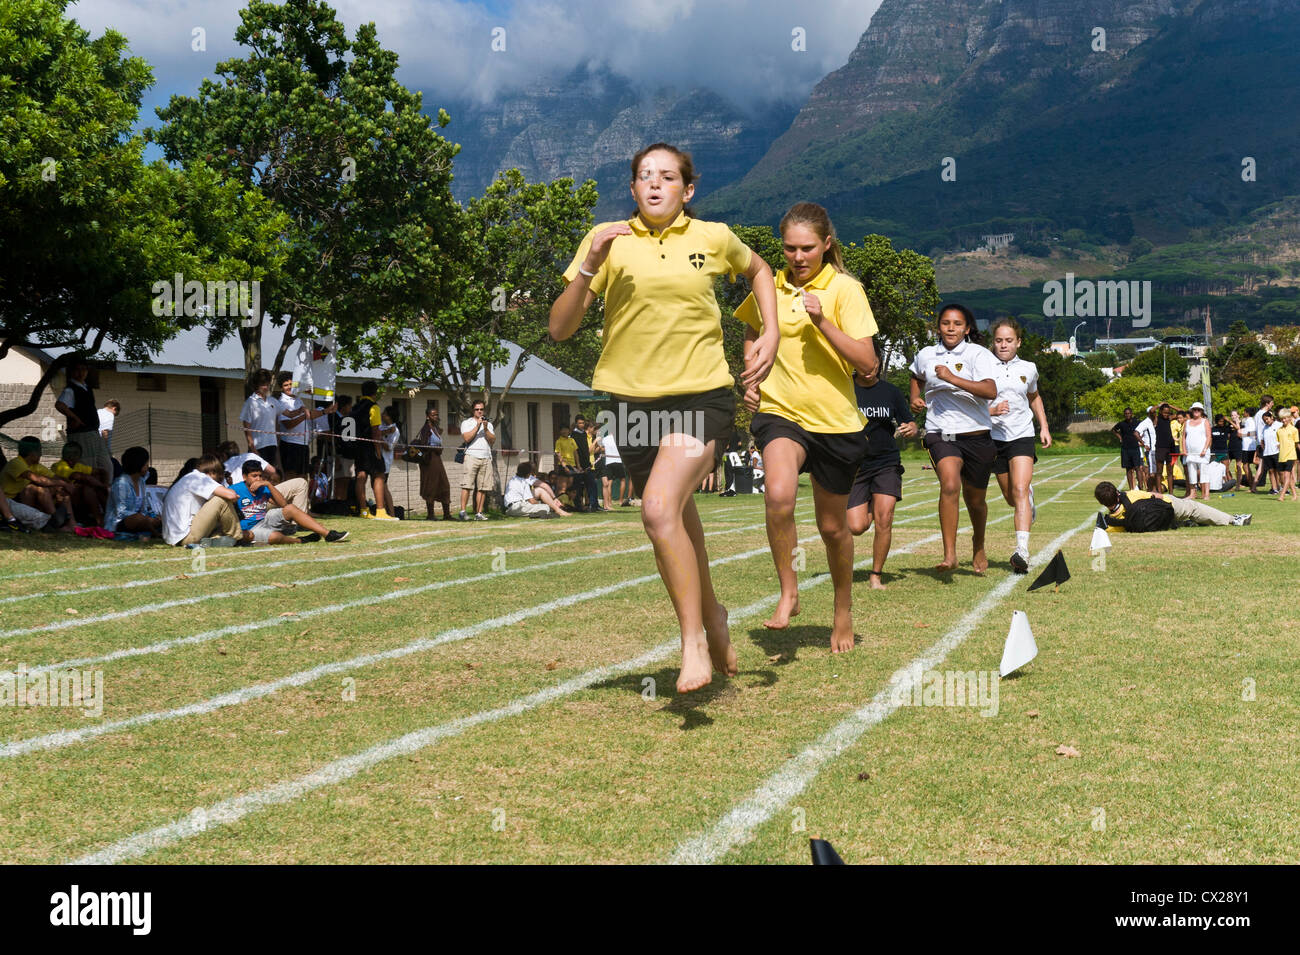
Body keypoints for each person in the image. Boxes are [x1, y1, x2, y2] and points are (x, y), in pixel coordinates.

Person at [549, 141, 778, 692]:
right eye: (645, 176)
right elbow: (560, 330)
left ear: (687, 189)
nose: (655, 184)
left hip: (701, 395)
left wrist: (769, 331)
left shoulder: (713, 238)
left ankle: (693, 640)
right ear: (632, 188)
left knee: (655, 510)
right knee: (677, 518)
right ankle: (716, 613)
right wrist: (588, 267)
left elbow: (761, 270)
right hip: (629, 403)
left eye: (668, 176)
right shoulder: (606, 240)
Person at [739, 202, 877, 649]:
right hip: (781, 413)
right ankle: (789, 591)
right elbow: (751, 328)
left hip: (835, 422)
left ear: (826, 245)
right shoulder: (769, 285)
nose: (797, 258)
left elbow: (867, 363)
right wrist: (752, 371)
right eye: (789, 249)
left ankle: (842, 612)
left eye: (807, 249)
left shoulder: (845, 289)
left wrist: (822, 321)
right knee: (778, 497)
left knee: (833, 528)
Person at [909, 303, 999, 573]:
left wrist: (952, 377)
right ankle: (950, 555)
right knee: (949, 484)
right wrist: (914, 397)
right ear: (938, 327)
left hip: (977, 435)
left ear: (967, 328)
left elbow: (990, 390)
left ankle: (979, 544)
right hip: (942, 433)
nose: (951, 328)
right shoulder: (926, 354)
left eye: (957, 324)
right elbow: (916, 377)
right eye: (946, 323)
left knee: (976, 500)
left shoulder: (978, 354)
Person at [987, 317, 1051, 573]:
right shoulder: (983, 367)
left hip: (1022, 435)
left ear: (1018, 342)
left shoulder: (1029, 367)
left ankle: (1022, 550)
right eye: (999, 340)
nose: (1004, 345)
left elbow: (1034, 396)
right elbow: (973, 400)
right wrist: (992, 410)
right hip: (994, 438)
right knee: (1011, 497)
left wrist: (1044, 426)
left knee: (1020, 488)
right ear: (993, 343)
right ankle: (1027, 499)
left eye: (1009, 340)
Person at [847, 365, 916, 589]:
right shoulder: (844, 387)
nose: (868, 369)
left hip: (886, 462)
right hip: (856, 465)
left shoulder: (891, 391)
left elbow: (909, 420)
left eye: (873, 363)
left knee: (884, 519)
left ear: (877, 363)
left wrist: (911, 428)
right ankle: (871, 506)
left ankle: (876, 575)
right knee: (856, 527)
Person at [229, 460, 348, 544]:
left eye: (260, 476)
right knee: (274, 537)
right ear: (244, 477)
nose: (258, 479)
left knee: (290, 508)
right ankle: (300, 540)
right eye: (254, 476)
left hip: (266, 519)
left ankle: (328, 534)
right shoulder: (234, 489)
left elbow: (283, 505)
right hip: (251, 529)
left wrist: (269, 485)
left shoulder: (263, 487)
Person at [160, 454, 249, 547]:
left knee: (221, 516)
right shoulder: (199, 478)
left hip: (176, 538)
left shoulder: (189, 479)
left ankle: (215, 539)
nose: (219, 482)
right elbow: (231, 495)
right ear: (213, 472)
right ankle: (237, 538)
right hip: (185, 536)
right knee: (221, 499)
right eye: (219, 477)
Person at [1094, 480, 1251, 530]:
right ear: (1116, 492)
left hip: (1157, 522)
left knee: (1186, 515)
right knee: (1193, 507)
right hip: (1168, 507)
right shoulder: (1131, 495)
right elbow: (1158, 496)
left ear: (1101, 502)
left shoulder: (1112, 523)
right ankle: (1232, 519)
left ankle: (1183, 523)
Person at [53, 360, 112, 480]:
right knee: (87, 465)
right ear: (73, 372)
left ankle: (105, 493)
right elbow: (60, 405)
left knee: (107, 465)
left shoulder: (87, 388)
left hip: (94, 432)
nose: (81, 373)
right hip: (82, 434)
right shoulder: (70, 389)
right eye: (77, 370)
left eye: (83, 369)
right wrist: (75, 418)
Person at [2, 436, 75, 530]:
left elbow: (54, 477)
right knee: (35, 488)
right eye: (40, 451)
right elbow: (37, 479)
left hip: (17, 500)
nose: (41, 454)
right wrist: (63, 483)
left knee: (59, 489)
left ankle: (70, 524)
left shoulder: (35, 466)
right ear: (32, 454)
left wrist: (67, 484)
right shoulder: (16, 463)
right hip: (6, 502)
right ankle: (53, 521)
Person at [274, 371, 334, 481]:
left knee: (303, 476)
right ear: (281, 387)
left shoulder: (298, 399)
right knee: (290, 476)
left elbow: (309, 415)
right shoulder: (282, 402)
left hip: (303, 443)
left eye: (291, 384)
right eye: (285, 385)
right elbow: (288, 424)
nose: (289, 387)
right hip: (290, 444)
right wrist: (304, 415)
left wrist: (326, 411)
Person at [350, 380, 389, 519]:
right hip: (370, 447)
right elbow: (375, 431)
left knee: (361, 476)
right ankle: (380, 511)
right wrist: (378, 451)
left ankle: (364, 511)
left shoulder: (355, 407)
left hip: (357, 446)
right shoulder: (374, 407)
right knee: (379, 476)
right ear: (375, 392)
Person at [104, 445, 163, 537]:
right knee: (139, 519)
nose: (147, 466)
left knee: (160, 518)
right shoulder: (121, 484)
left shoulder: (141, 481)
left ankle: (152, 528)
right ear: (138, 465)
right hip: (119, 523)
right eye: (146, 463)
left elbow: (143, 509)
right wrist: (145, 518)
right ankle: (155, 533)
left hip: (140, 519)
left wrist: (153, 517)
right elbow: (121, 512)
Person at [52, 441, 107, 527]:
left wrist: (104, 484)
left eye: (74, 454)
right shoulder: (59, 466)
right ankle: (99, 519)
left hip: (78, 501)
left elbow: (102, 471)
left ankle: (108, 516)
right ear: (63, 455)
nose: (70, 456)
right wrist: (104, 486)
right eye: (68, 454)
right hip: (63, 503)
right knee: (87, 488)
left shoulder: (78, 466)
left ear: (79, 456)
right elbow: (79, 476)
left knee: (95, 486)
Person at [458, 400, 495, 521]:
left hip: (486, 457)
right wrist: (477, 425)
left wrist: (485, 428)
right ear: (473, 411)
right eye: (477, 409)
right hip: (471, 456)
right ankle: (463, 512)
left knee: (483, 487)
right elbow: (467, 438)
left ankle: (479, 513)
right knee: (467, 485)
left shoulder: (488, 424)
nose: (479, 411)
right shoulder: (467, 423)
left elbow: (492, 440)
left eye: (481, 409)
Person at [414, 406, 452, 520]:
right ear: (427, 416)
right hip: (429, 461)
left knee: (444, 485)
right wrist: (435, 449)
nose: (436, 417)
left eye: (436, 414)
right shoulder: (426, 429)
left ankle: (447, 515)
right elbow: (423, 446)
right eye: (433, 415)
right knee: (431, 486)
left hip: (437, 460)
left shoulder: (435, 428)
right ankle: (430, 515)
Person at [240, 370, 281, 469]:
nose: (266, 387)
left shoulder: (272, 401)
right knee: (258, 475)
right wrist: (253, 449)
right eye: (263, 384)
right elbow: (247, 428)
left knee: (271, 476)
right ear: (256, 385)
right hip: (258, 447)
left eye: (267, 384)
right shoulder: (250, 402)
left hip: (272, 445)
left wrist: (303, 410)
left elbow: (288, 413)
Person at [504, 461, 570, 518]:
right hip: (517, 508)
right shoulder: (524, 482)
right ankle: (557, 511)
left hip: (511, 508)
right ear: (528, 474)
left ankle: (538, 512)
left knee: (544, 503)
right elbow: (532, 501)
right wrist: (542, 503)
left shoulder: (513, 479)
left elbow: (544, 486)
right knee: (546, 507)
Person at [1181, 401, 1212, 500]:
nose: (1196, 411)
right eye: (1195, 409)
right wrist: (1184, 450)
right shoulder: (1187, 422)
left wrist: (1205, 449)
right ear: (1192, 410)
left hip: (1202, 453)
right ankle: (1192, 493)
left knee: (1204, 472)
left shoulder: (1205, 421)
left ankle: (1206, 494)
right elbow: (1184, 437)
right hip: (1190, 453)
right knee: (1191, 473)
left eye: (1198, 410)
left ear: (1201, 411)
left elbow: (1208, 436)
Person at [570, 415, 601, 512]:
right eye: (579, 423)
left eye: (583, 423)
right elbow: (576, 451)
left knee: (592, 484)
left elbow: (587, 451)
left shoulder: (584, 434)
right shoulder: (573, 435)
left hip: (586, 464)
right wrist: (577, 465)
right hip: (577, 465)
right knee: (578, 487)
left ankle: (594, 505)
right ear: (576, 423)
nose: (581, 425)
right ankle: (578, 506)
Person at [376, 404, 401, 520]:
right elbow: (376, 432)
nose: (382, 415)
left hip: (385, 462)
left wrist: (379, 438)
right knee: (377, 486)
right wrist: (382, 433)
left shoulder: (395, 431)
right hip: (376, 459)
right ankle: (383, 511)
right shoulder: (382, 426)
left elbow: (388, 447)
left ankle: (392, 513)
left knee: (384, 486)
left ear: (390, 416)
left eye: (385, 414)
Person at [1113, 407, 1144, 492]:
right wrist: (1120, 438)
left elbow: (1144, 429)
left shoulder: (1137, 422)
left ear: (1131, 414)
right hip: (1125, 449)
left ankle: (1141, 487)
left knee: (1138, 468)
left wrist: (1140, 438)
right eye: (1125, 414)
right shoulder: (1122, 424)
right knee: (1128, 469)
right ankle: (1131, 488)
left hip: (1135, 448)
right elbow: (1114, 430)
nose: (1127, 415)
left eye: (1128, 413)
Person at [329, 395, 354, 501]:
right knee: (339, 482)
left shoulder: (348, 420)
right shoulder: (334, 418)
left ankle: (343, 505)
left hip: (348, 455)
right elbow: (333, 439)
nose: (350, 408)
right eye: (349, 406)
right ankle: (337, 504)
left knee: (346, 482)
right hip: (339, 455)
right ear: (343, 406)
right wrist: (336, 456)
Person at [1151, 403, 1178, 493]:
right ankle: (1159, 491)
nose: (1166, 414)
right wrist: (1159, 405)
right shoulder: (1156, 419)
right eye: (1164, 412)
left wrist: (1170, 406)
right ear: (1161, 412)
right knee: (1159, 471)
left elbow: (1182, 412)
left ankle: (1171, 492)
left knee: (1170, 472)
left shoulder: (1170, 419)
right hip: (1160, 448)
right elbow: (1151, 411)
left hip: (1171, 448)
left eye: (1168, 412)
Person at [601, 428, 631, 508]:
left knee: (609, 482)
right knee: (623, 480)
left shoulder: (605, 439)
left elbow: (602, 449)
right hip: (618, 461)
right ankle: (620, 501)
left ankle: (609, 502)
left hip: (608, 462)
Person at [1276, 408, 1298, 501]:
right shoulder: (1279, 430)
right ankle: (1295, 495)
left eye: (1285, 418)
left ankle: (1282, 496)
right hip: (1282, 456)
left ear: (1289, 418)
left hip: (1291, 455)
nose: (1283, 420)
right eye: (1282, 418)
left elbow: (1296, 443)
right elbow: (1279, 443)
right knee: (1285, 477)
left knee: (1286, 476)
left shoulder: (1294, 430)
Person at [1258, 409, 1281, 495]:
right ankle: (1274, 488)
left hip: (1277, 452)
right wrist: (1264, 448)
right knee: (1271, 471)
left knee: (1279, 471)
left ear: (1271, 417)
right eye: (1264, 420)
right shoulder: (1264, 428)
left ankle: (1283, 487)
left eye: (1267, 419)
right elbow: (1262, 440)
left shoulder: (1279, 425)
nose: (1266, 421)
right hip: (1267, 453)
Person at [1135, 405, 1158, 490]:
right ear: (1148, 414)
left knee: (1156, 471)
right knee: (1151, 472)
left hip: (1157, 449)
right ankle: (1151, 489)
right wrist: (1144, 444)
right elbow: (1136, 433)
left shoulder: (1155, 422)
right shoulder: (1145, 422)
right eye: (1152, 412)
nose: (1154, 414)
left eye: (1155, 412)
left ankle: (1154, 489)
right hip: (1150, 450)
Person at [553, 426, 578, 498]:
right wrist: (564, 466)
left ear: (569, 431)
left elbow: (575, 453)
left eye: (566, 430)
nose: (564, 431)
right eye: (563, 430)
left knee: (569, 486)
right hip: (563, 465)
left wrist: (578, 465)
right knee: (562, 487)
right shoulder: (559, 441)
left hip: (572, 465)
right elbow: (558, 455)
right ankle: (559, 504)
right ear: (560, 431)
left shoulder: (572, 440)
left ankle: (566, 503)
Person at [1236, 406, 1257, 490]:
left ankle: (1252, 485)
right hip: (1246, 446)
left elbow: (1253, 433)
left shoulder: (1250, 421)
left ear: (1247, 413)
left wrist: (1242, 435)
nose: (1243, 413)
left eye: (1244, 412)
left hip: (1249, 447)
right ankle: (1252, 485)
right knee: (1245, 466)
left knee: (1245, 465)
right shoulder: (1247, 421)